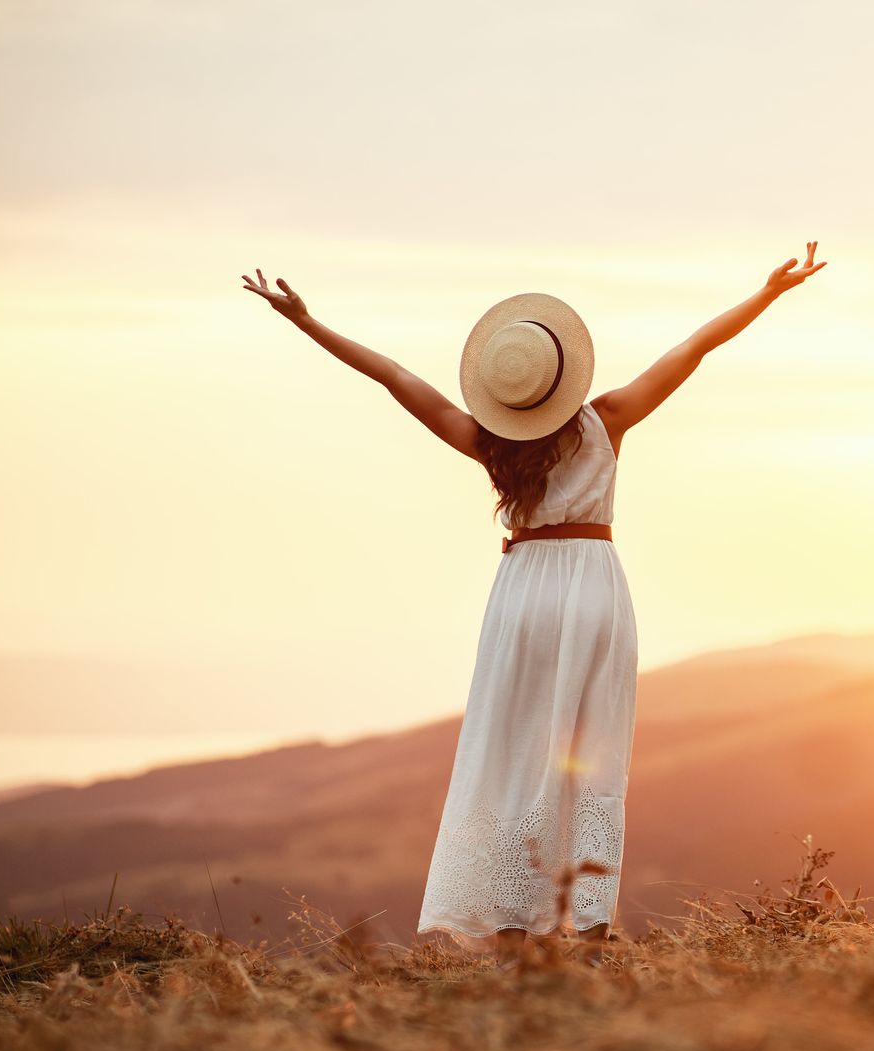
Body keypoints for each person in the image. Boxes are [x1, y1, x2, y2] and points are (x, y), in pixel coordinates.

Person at [241, 243, 828, 957]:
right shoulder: (608, 418)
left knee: (514, 750)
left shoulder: (489, 443)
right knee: (593, 750)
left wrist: (307, 321)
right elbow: (695, 346)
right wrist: (768, 293)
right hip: (592, 584)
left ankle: (514, 923)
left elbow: (394, 377)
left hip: (522, 594)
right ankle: (587, 922)